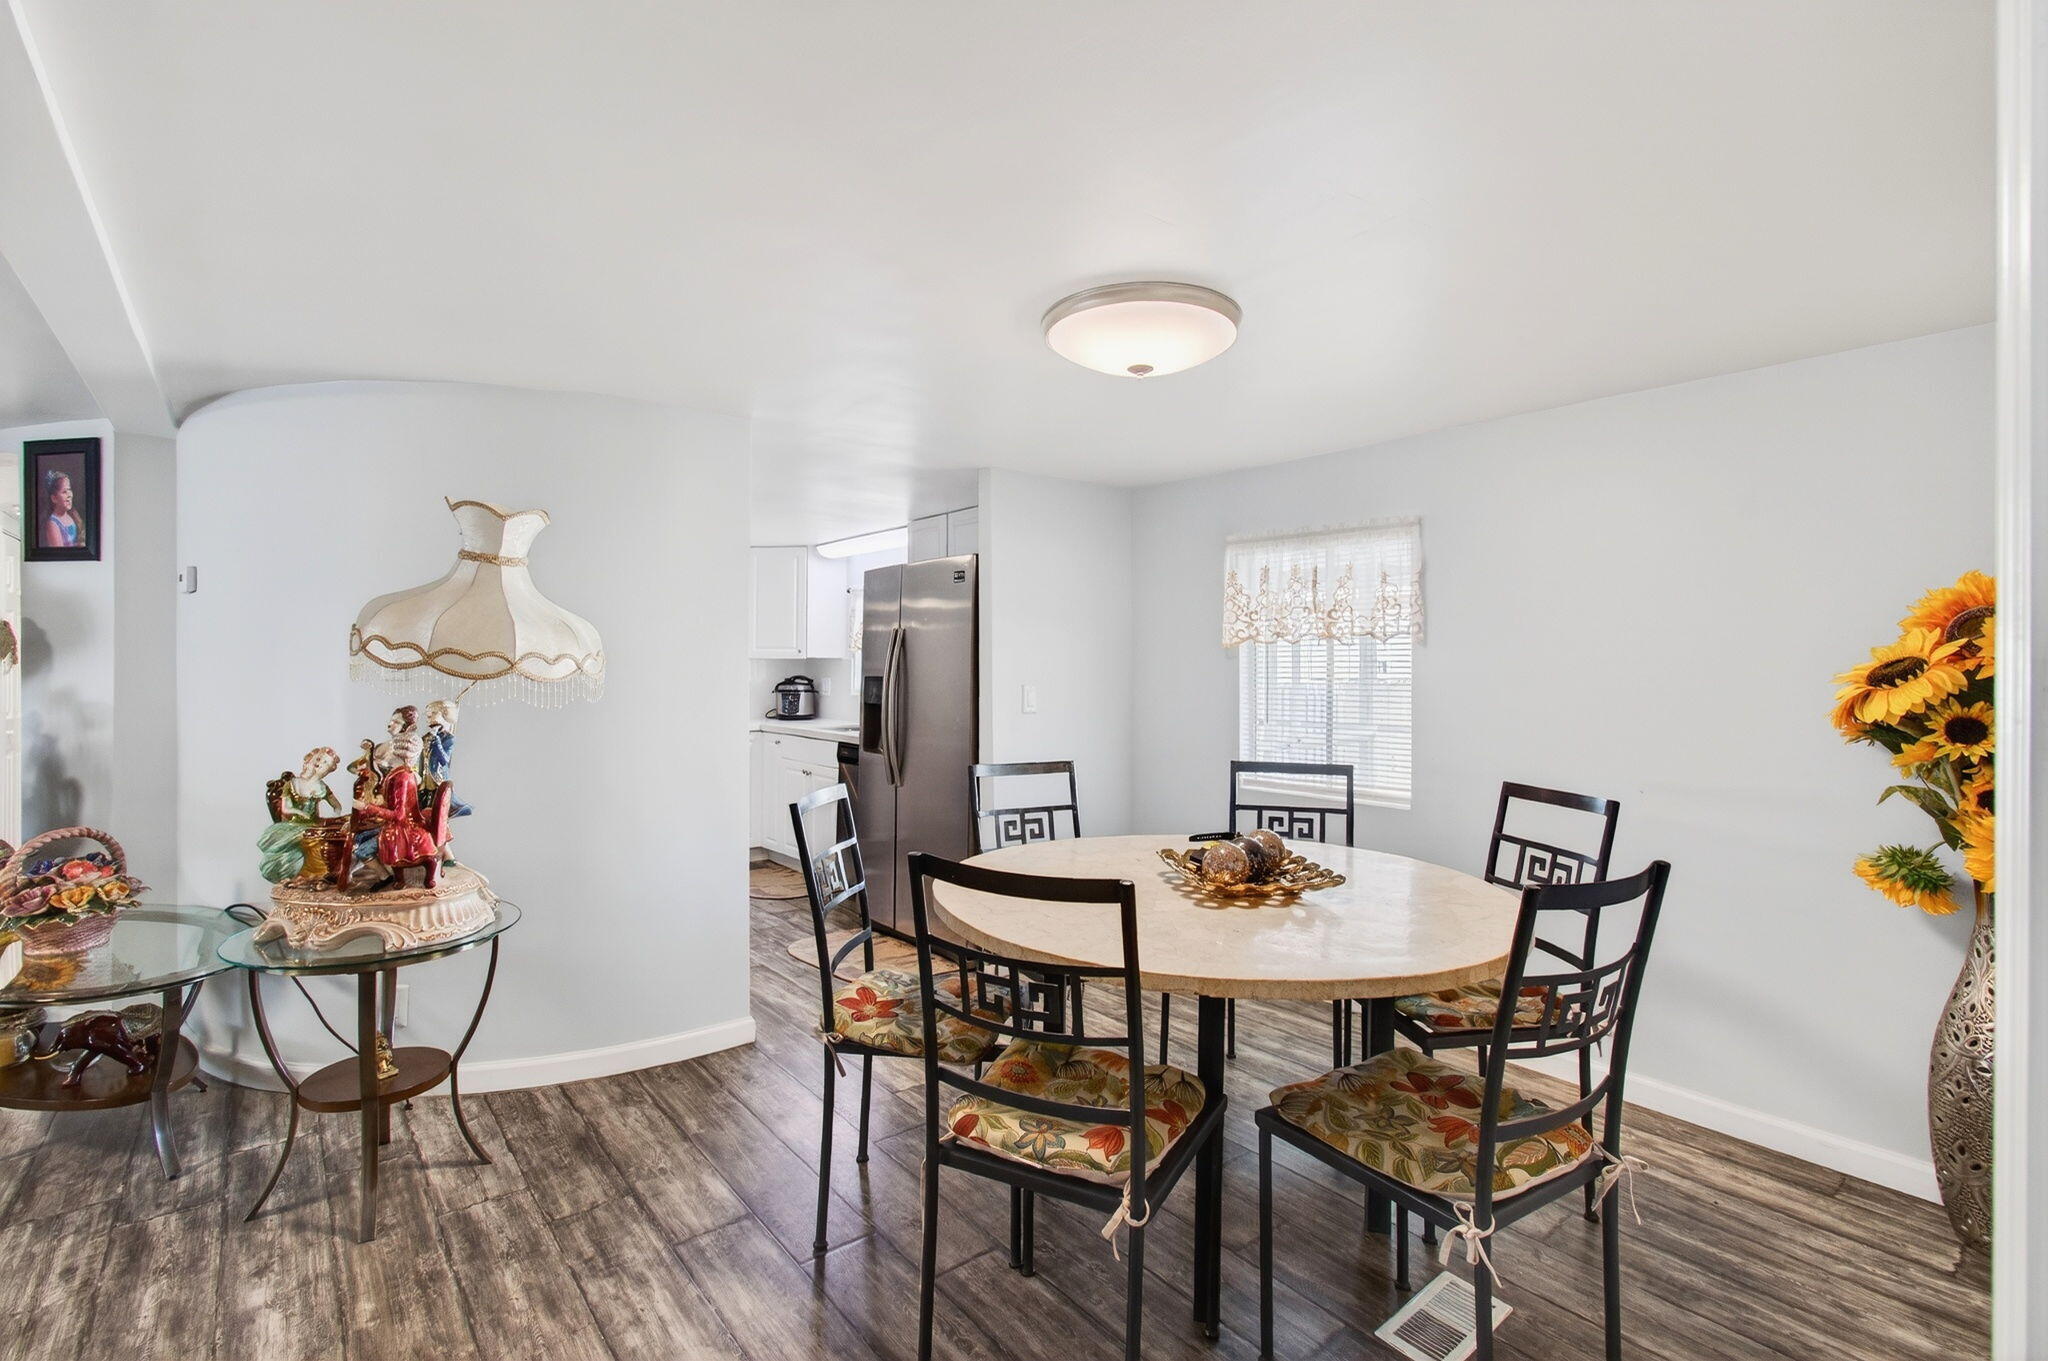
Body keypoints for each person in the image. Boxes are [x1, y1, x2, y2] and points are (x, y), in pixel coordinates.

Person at [258, 747, 343, 883]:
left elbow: (336, 806)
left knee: (327, 836)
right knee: (307, 841)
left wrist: (336, 816)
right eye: (321, 761)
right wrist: (300, 812)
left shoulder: (322, 787)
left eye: (327, 764)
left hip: (314, 823)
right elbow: (286, 808)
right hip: (295, 825)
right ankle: (300, 874)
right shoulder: (293, 784)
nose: (322, 766)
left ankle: (323, 875)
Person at [421, 699, 472, 818]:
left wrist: (436, 741)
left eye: (433, 714)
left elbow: (444, 760)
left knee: (436, 805)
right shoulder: (426, 737)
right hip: (425, 775)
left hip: (438, 776)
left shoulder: (448, 739)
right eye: (428, 715)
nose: (429, 717)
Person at [40, 470, 80, 549]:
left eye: (69, 490)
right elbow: (59, 553)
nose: (69, 495)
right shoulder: (53, 524)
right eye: (64, 492)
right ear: (54, 498)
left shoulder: (73, 515)